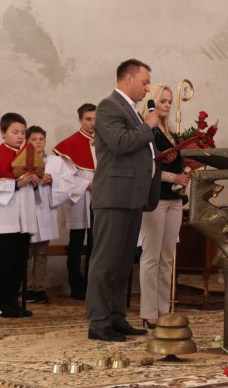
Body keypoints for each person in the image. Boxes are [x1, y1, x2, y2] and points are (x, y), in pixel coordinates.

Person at [86, 59, 161, 342]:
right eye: (144, 82)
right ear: (128, 78)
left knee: (122, 262)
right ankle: (98, 322)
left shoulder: (131, 110)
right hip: (114, 196)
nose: (148, 88)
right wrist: (148, 126)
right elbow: (119, 143)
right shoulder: (108, 106)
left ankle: (116, 317)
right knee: (105, 262)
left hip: (132, 196)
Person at [138, 84, 191, 329]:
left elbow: (176, 162)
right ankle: (149, 312)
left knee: (167, 256)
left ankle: (163, 309)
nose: (168, 105)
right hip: (155, 198)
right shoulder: (146, 129)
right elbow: (146, 166)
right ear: (152, 101)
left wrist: (187, 169)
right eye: (163, 101)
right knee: (152, 256)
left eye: (170, 101)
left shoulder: (170, 132)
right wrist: (174, 177)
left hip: (174, 199)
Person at [26, 126, 80, 304]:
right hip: (28, 212)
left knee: (41, 252)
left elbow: (69, 182)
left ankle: (38, 287)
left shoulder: (55, 162)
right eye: (34, 139)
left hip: (46, 212)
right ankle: (24, 288)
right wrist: (38, 180)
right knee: (26, 253)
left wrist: (53, 180)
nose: (38, 142)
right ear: (27, 142)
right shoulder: (22, 161)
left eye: (41, 139)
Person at [53, 103, 96, 300]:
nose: (92, 123)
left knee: (96, 242)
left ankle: (93, 284)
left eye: (95, 119)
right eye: (88, 119)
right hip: (79, 197)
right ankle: (76, 286)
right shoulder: (70, 143)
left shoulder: (105, 142)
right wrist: (86, 185)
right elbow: (64, 176)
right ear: (80, 120)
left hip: (100, 197)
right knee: (76, 242)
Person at [0, 113, 38, 318]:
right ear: (3, 133)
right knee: (5, 262)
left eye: (23, 132)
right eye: (15, 132)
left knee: (19, 261)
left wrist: (35, 182)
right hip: (5, 218)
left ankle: (13, 302)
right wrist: (16, 184)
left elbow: (34, 185)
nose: (20, 136)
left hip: (24, 217)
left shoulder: (29, 155)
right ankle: (3, 303)